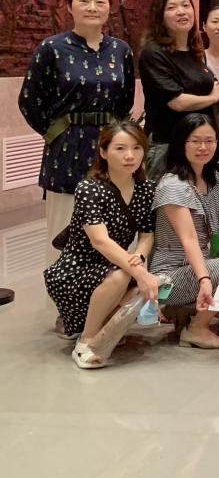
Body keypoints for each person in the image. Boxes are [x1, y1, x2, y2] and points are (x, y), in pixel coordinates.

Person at [20, 0, 135, 282]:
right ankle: (62, 302)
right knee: (64, 231)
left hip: (110, 151)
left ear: (109, 7)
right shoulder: (51, 48)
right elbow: (29, 100)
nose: (92, 7)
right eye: (84, 1)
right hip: (67, 150)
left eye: (100, 1)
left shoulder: (120, 50)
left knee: (113, 229)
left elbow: (125, 101)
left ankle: (108, 298)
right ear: (69, 6)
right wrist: (56, 134)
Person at [43, 122, 159, 369]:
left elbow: (147, 235)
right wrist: (138, 272)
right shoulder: (89, 188)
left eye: (137, 148)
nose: (130, 156)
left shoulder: (147, 188)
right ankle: (86, 341)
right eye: (120, 148)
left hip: (118, 263)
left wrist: (138, 259)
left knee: (143, 283)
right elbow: (100, 241)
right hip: (77, 269)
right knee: (122, 277)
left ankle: (102, 327)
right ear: (103, 152)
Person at [149, 114, 219, 349]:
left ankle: (183, 311)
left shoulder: (213, 179)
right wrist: (205, 280)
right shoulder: (173, 185)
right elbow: (189, 240)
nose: (203, 147)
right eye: (195, 141)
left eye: (209, 141)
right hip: (167, 277)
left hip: (198, 268)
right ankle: (196, 329)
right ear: (181, 143)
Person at [138, 0, 219, 177]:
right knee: (166, 196)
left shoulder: (195, 52)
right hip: (166, 145)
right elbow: (177, 102)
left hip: (200, 145)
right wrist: (212, 98)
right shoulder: (153, 53)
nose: (181, 11)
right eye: (172, 7)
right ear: (160, 16)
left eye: (186, 5)